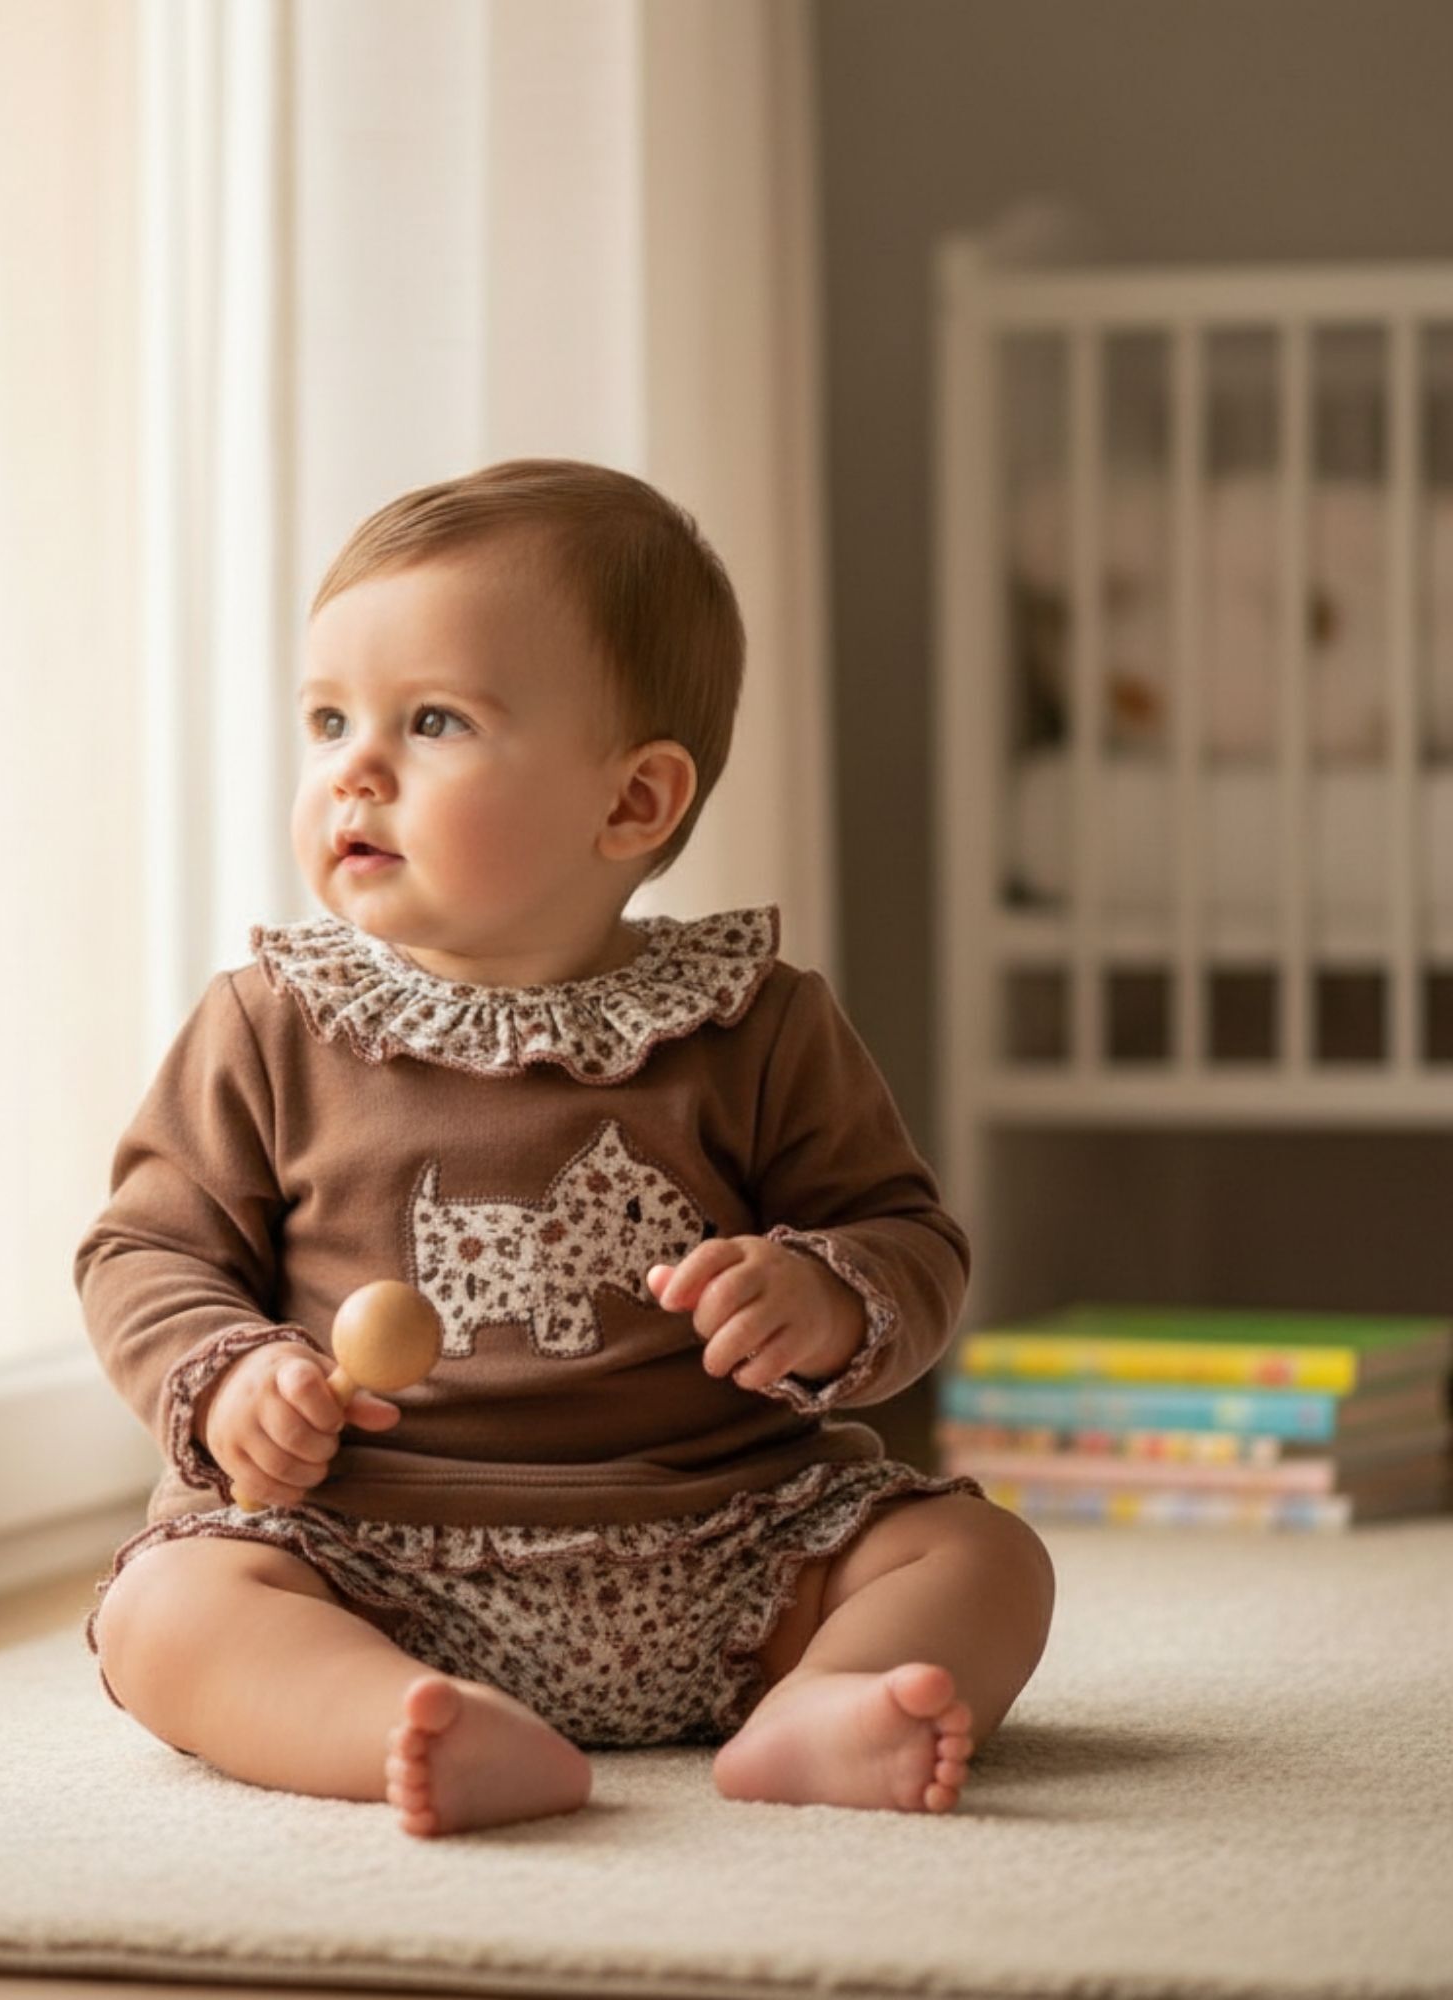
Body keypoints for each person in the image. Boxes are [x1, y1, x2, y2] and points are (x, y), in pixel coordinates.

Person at [76, 459, 1055, 1838]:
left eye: (431, 722)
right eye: (328, 719)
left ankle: (823, 1703)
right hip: (361, 1547)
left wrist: (827, 1295)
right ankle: (400, 1726)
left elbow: (910, 1237)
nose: (354, 767)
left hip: (726, 1541)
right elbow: (146, 1252)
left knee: (980, 1554)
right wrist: (229, 1375)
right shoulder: (271, 1025)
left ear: (633, 805)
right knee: (165, 1612)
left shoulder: (757, 1024)